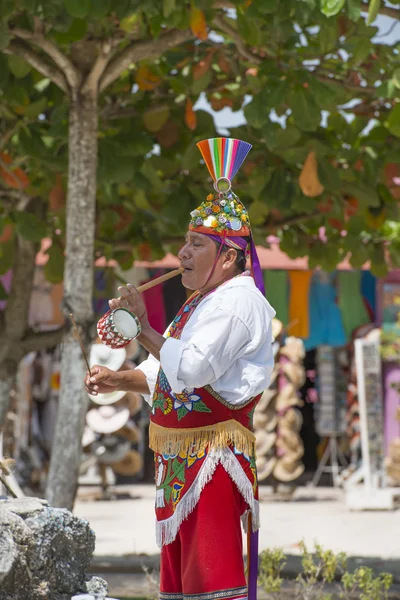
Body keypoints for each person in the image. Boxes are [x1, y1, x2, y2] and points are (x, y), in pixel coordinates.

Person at [85, 137, 275, 600]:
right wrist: (119, 380)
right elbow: (162, 372)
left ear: (228, 256)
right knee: (183, 584)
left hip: (214, 460)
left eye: (195, 244)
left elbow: (191, 370)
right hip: (183, 462)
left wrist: (144, 326)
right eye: (184, 243)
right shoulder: (202, 303)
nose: (182, 254)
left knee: (211, 584)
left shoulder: (237, 304)